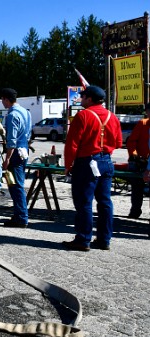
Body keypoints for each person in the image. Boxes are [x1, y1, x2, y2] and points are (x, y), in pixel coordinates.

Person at [62, 85, 122, 251]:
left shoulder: (83, 116)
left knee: (84, 202)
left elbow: (72, 144)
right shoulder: (112, 116)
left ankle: (83, 239)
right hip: (106, 161)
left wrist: (68, 166)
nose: (81, 99)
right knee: (105, 202)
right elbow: (118, 142)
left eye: (83, 97)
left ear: (89, 98)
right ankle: (104, 239)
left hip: (87, 162)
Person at [1, 88, 31, 228]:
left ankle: (21, 217)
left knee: (15, 186)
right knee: (18, 183)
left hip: (15, 153)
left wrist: (7, 159)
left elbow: (11, 140)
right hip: (24, 150)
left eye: (3, 100)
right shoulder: (26, 112)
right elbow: (28, 134)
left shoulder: (12, 115)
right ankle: (19, 213)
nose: (2, 102)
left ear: (7, 99)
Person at [125, 103, 150, 218]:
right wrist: (135, 155)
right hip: (140, 161)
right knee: (136, 188)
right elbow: (131, 142)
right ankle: (135, 211)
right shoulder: (143, 124)